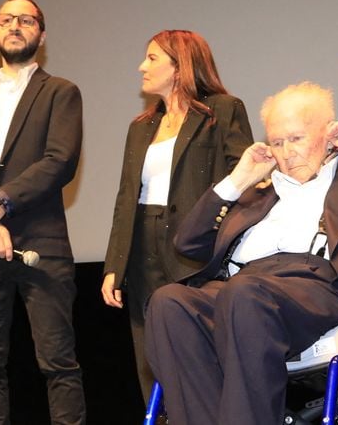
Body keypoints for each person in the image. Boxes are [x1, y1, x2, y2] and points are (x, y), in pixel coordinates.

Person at [145, 81, 338, 425]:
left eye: (297, 139)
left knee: (245, 295)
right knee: (169, 302)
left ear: (328, 134)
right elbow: (188, 244)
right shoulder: (256, 193)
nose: (286, 152)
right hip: (242, 286)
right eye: (277, 142)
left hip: (318, 285)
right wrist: (237, 181)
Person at [0, 0, 86, 424]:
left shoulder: (61, 92)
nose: (14, 26)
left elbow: (59, 161)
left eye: (26, 20)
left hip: (42, 245)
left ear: (41, 35)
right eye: (6, 19)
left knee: (58, 363)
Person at [101, 30, 253, 401]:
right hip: (143, 249)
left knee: (196, 349)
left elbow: (246, 176)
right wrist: (113, 265)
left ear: (180, 64)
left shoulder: (222, 110)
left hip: (194, 247)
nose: (142, 66)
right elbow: (126, 197)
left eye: (152, 58)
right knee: (150, 352)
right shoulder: (141, 127)